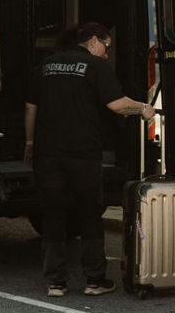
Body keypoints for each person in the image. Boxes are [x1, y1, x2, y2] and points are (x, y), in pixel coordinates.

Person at [24, 22, 155, 298]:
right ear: (94, 41)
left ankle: (55, 283)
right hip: (83, 155)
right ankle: (94, 280)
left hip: (48, 155)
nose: (107, 54)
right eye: (106, 47)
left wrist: (30, 143)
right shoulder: (95, 67)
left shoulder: (48, 65)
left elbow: (30, 107)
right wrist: (143, 108)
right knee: (89, 216)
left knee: (53, 216)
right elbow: (117, 105)